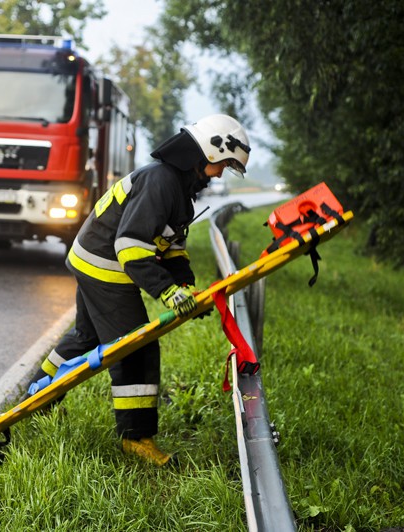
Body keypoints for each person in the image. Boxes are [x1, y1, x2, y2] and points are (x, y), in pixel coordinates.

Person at [30, 114, 251, 465]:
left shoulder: (177, 190)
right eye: (222, 164)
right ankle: (136, 438)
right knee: (136, 350)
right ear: (207, 153)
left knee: (86, 336)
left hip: (91, 260)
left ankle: (36, 397)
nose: (221, 173)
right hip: (107, 267)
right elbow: (130, 248)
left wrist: (186, 288)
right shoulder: (161, 182)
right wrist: (167, 293)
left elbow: (171, 249)